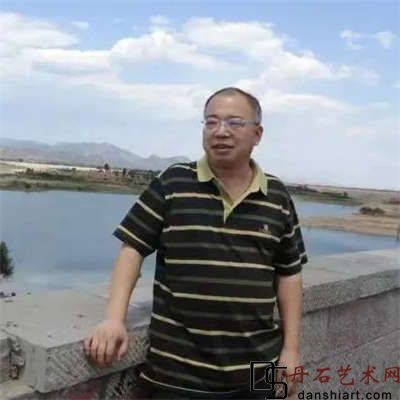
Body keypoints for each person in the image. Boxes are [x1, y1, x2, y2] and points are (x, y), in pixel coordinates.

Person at [84, 87, 308, 399]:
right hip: (177, 375)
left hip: (260, 370)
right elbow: (132, 249)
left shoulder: (277, 196)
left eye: (234, 122)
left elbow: (289, 274)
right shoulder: (174, 182)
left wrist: (291, 350)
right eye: (211, 122)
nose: (220, 131)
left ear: (257, 134)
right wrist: (114, 318)